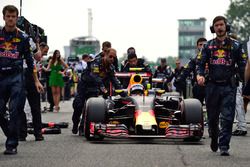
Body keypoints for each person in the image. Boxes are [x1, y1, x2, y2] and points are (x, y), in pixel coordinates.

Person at [197, 16, 247, 156]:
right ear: (213, 28)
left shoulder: (236, 45)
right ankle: (214, 136)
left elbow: (243, 66)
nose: (219, 27)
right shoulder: (208, 46)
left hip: (229, 86)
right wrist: (199, 75)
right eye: (216, 25)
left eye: (221, 25)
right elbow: (200, 63)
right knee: (212, 118)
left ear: (226, 26)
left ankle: (224, 145)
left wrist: (246, 85)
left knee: (228, 117)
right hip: (212, 86)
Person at [0, 5, 43, 155]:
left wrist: (36, 81)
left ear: (17, 18)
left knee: (15, 110)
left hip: (17, 77)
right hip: (1, 77)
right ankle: (11, 133)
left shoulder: (24, 37)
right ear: (4, 17)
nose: (10, 19)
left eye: (13, 16)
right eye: (8, 16)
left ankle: (11, 144)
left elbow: (31, 61)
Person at [72, 48, 125, 134]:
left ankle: (82, 128)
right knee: (79, 105)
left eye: (114, 57)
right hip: (84, 85)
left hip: (94, 88)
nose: (112, 59)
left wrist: (122, 92)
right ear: (105, 55)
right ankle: (75, 123)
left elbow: (114, 81)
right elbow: (94, 76)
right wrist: (102, 87)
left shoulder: (111, 67)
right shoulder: (96, 62)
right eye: (110, 56)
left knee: (88, 108)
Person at [19, 42, 49, 141]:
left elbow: (38, 57)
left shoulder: (29, 40)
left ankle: (38, 132)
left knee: (35, 106)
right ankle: (22, 133)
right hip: (18, 74)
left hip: (31, 74)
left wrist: (36, 44)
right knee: (19, 106)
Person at [175, 38, 207, 104]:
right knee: (197, 107)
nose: (202, 46)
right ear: (197, 46)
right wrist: (178, 80)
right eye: (200, 45)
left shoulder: (213, 58)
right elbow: (186, 70)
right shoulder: (194, 60)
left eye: (204, 45)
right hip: (198, 87)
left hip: (211, 86)